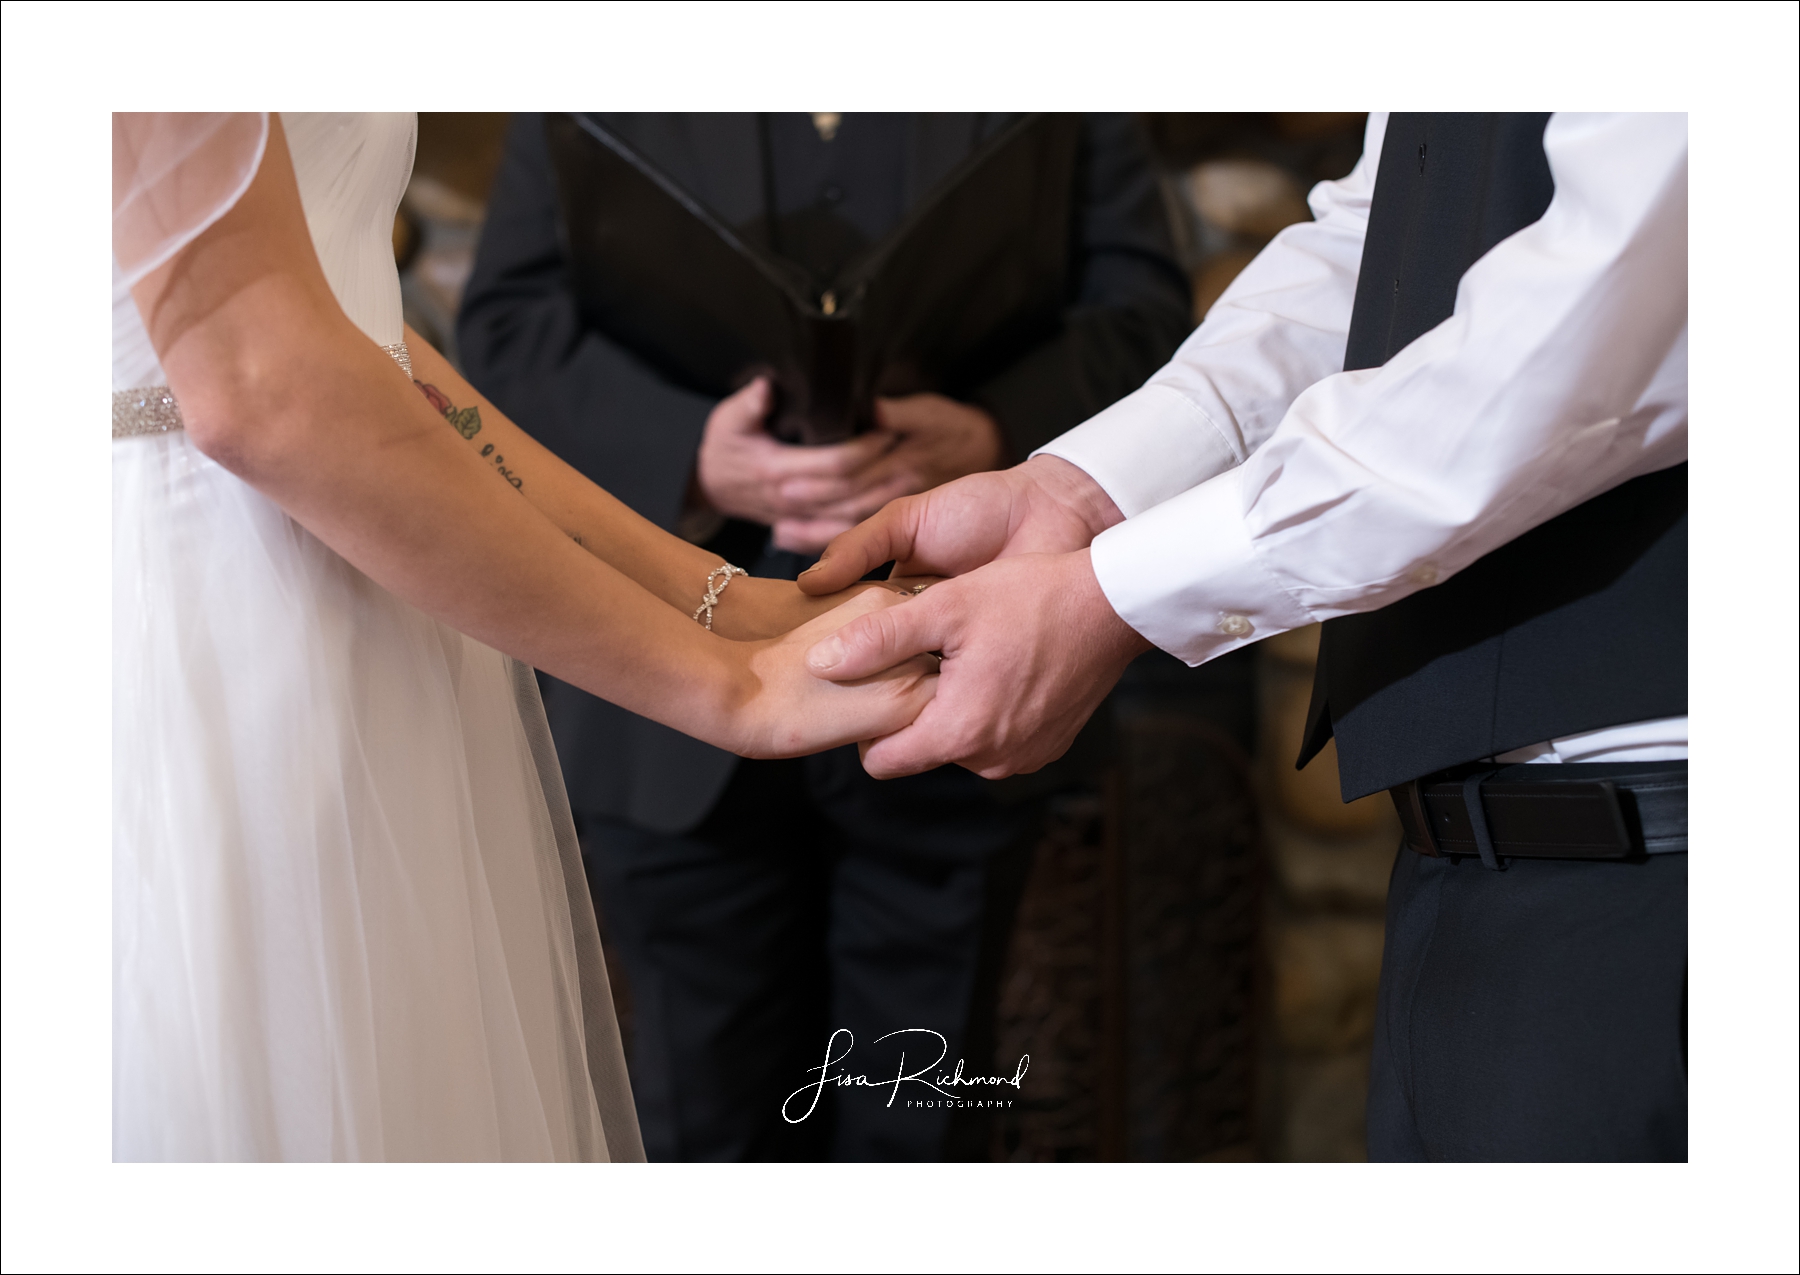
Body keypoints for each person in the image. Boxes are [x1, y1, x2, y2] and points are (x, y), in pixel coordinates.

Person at [803, 112, 1688, 1161]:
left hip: (1658, 859)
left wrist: (1113, 595)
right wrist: (1080, 492)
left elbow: (1599, 316)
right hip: (1469, 868)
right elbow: (1380, 245)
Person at [112, 111, 933, 1162]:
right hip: (213, 609)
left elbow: (359, 340)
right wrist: (727, 693)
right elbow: (262, 384)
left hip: (369, 598)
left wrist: (724, 601)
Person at [457, 113, 1190, 1161]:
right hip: (664, 706)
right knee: (701, 1127)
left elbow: (1148, 318)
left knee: (926, 1127)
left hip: (953, 672)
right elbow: (503, 331)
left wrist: (992, 438)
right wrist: (694, 460)